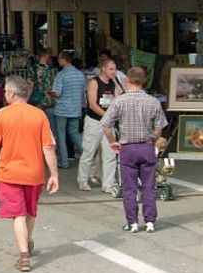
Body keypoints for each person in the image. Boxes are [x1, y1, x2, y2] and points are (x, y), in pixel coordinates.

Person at [0, 76, 59, 272]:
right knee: (30, 211)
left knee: (18, 214)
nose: (5, 94)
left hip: (9, 174)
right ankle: (28, 241)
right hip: (34, 173)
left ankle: (24, 256)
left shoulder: (2, 115)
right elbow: (48, 148)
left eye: (6, 91)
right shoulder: (39, 115)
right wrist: (54, 174)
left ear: (12, 93)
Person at [100, 67, 168, 233]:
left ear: (127, 80)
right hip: (146, 146)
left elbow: (106, 125)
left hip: (128, 148)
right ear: (143, 81)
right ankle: (150, 221)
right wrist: (152, 137)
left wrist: (112, 142)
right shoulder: (153, 101)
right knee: (149, 186)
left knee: (129, 188)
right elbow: (160, 127)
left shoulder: (119, 101)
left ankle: (132, 222)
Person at [77, 59, 121, 192]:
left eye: (115, 69)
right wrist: (107, 116)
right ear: (103, 69)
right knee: (89, 152)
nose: (114, 72)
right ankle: (83, 180)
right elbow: (92, 104)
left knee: (110, 154)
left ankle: (108, 184)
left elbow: (118, 101)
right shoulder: (94, 82)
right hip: (94, 122)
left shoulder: (114, 83)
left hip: (109, 124)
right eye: (111, 69)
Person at [50, 51, 87, 169]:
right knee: (74, 133)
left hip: (62, 109)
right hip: (76, 108)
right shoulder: (80, 74)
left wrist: (50, 93)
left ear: (64, 59)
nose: (58, 61)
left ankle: (64, 162)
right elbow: (83, 91)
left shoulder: (61, 75)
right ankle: (88, 154)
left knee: (61, 135)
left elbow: (58, 93)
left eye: (59, 59)